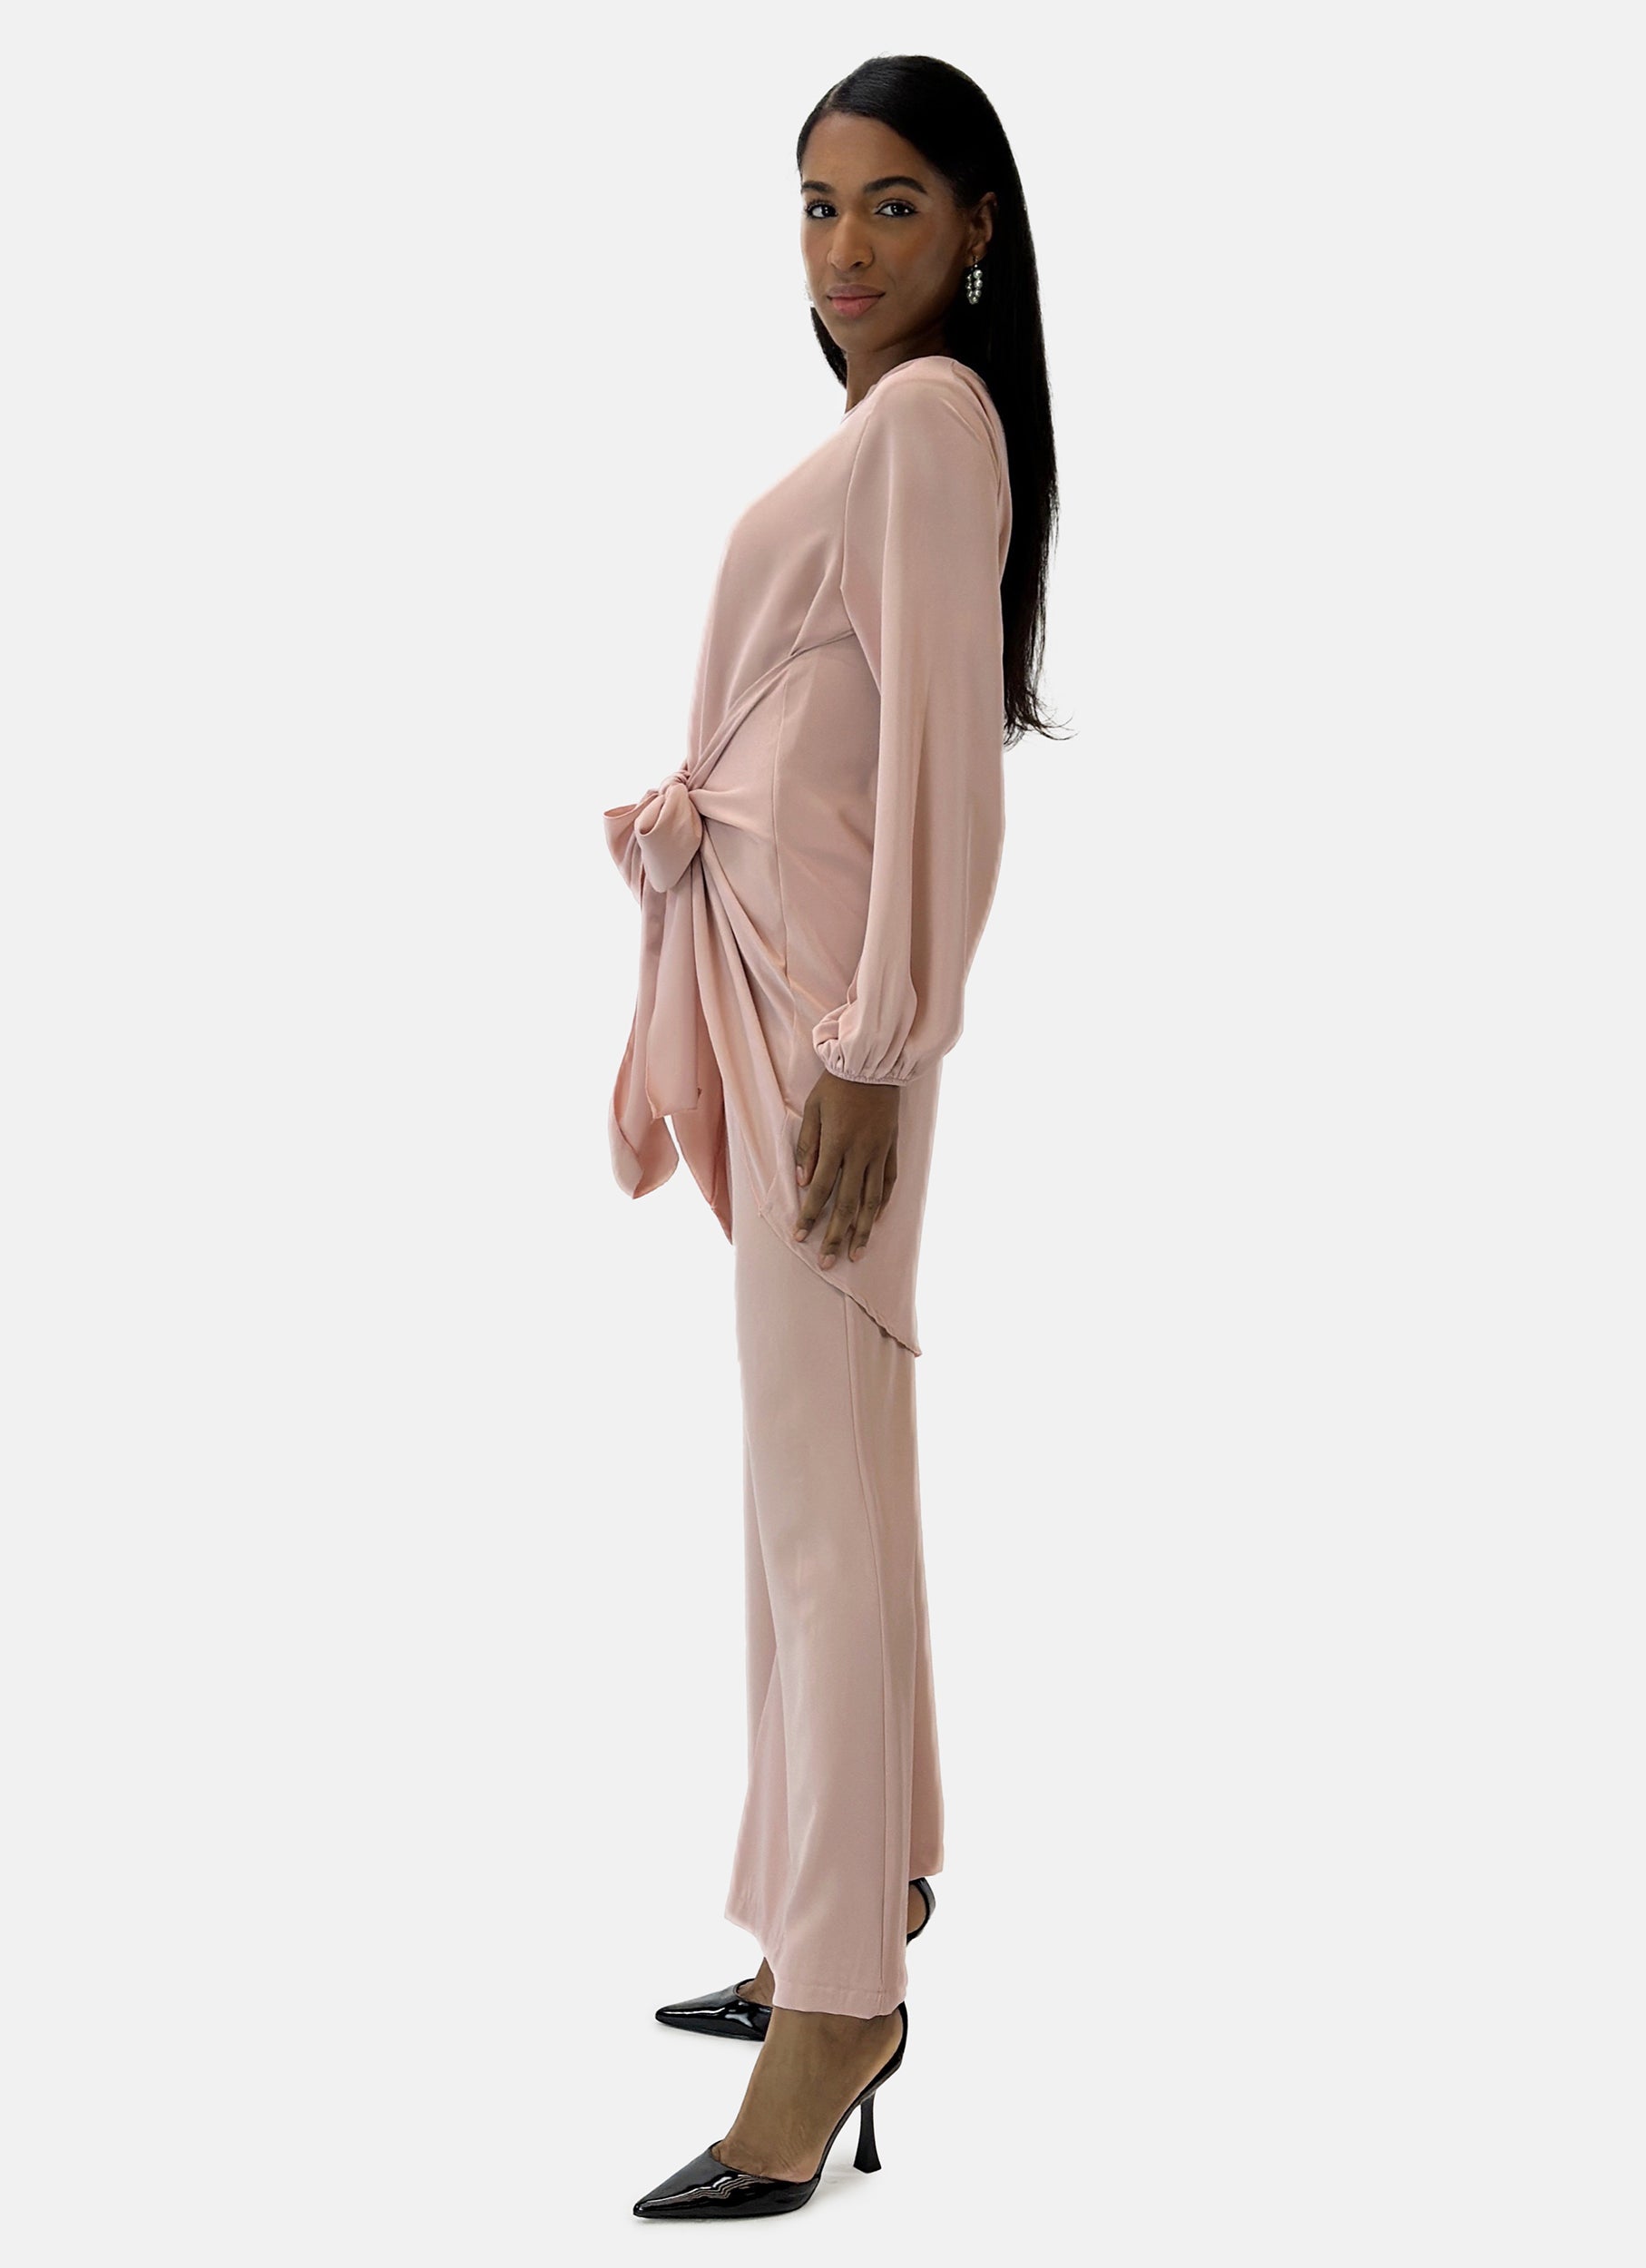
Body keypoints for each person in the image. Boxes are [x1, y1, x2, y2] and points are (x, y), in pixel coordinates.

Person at [602, 54, 1063, 2223]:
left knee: (811, 1508)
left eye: (890, 204)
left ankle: (838, 2011)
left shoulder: (924, 423)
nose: (843, 246)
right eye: (813, 203)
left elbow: (946, 769)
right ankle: (836, 1897)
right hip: (793, 1000)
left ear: (976, 230)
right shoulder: (898, 430)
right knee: (827, 1484)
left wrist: (878, 1047)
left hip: (825, 1033)